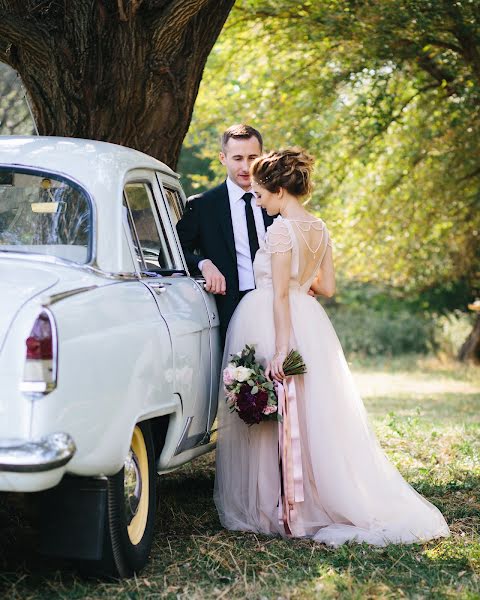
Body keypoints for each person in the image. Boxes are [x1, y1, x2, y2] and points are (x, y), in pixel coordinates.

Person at [214, 148, 450, 546]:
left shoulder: (281, 230)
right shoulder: (318, 228)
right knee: (310, 414)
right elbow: (327, 287)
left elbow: (280, 298)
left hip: (279, 324)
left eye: (260, 192)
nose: (257, 199)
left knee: (280, 415)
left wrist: (282, 349)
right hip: (312, 321)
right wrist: (299, 282)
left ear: (278, 189)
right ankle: (305, 498)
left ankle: (279, 505)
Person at [176, 124, 275, 342]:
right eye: (238, 158)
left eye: (252, 157)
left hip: (277, 306)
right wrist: (204, 263)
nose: (246, 166)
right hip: (229, 310)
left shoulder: (278, 202)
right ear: (223, 158)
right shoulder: (203, 206)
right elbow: (174, 251)